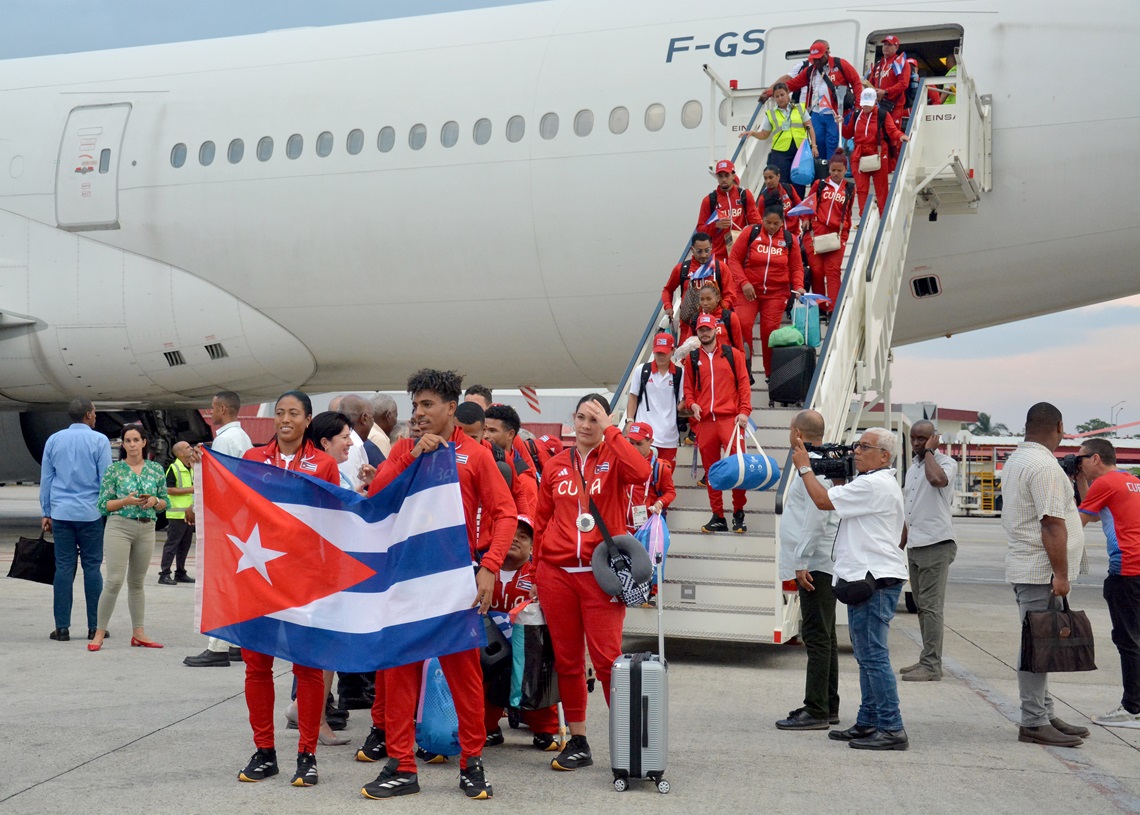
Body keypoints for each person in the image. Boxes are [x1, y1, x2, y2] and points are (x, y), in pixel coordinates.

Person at [361, 369, 514, 801]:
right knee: (399, 673)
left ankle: (471, 763)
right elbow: (376, 496)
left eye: (428, 405)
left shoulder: (477, 455)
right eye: (415, 407)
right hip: (404, 580)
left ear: (452, 408)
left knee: (463, 675)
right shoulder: (404, 449)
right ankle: (401, 767)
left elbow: (504, 513)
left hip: (453, 581)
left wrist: (490, 566)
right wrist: (412, 456)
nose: (419, 414)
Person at [533, 393, 651, 771]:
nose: (585, 426)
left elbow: (643, 473)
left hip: (602, 576)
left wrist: (613, 431)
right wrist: (537, 569)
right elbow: (540, 520)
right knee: (567, 662)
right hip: (557, 574)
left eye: (594, 420)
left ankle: (630, 742)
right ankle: (578, 741)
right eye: (581, 418)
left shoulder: (616, 458)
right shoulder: (554, 466)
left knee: (606, 660)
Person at [237, 390, 341, 787]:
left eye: (293, 413)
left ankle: (307, 754)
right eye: (279, 413)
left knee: (308, 667)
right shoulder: (250, 460)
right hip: (258, 577)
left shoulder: (325, 464)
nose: (284, 419)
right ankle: (265, 752)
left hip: (304, 581)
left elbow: (333, 523)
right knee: (256, 666)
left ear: (308, 419)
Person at [791, 427, 909, 750]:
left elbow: (821, 499)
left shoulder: (872, 484)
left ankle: (891, 726)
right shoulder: (878, 483)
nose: (856, 451)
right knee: (867, 655)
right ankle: (869, 720)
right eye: (857, 445)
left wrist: (804, 465)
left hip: (873, 580)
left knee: (873, 656)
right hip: (874, 578)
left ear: (884, 455)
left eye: (865, 447)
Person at [1001, 402, 1089, 747]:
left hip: (1029, 567)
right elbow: (1052, 524)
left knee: (1043, 642)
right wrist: (1061, 575)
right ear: (1059, 426)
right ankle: (1034, 721)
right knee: (1036, 645)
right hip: (1041, 572)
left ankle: (1044, 711)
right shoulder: (1044, 466)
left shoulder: (1018, 460)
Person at [776, 410, 841, 731]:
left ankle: (816, 709)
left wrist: (800, 562)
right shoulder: (819, 461)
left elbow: (816, 518)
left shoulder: (811, 468)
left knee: (816, 636)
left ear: (799, 433)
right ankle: (828, 705)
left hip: (815, 563)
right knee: (825, 636)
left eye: (791, 429)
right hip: (820, 560)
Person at [184, 390, 251, 668]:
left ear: (224, 409)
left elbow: (218, 484)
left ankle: (217, 646)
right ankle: (236, 643)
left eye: (213, 409)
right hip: (241, 519)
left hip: (224, 520)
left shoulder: (224, 440)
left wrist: (197, 509)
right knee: (234, 582)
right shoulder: (243, 437)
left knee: (219, 582)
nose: (211, 414)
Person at [1076, 439, 1140, 729]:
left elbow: (1079, 522)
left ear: (1096, 458)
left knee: (1128, 640)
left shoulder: (1105, 483)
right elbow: (1096, 506)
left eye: (1082, 459)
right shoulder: (1130, 480)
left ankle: (1132, 709)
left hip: (1126, 570)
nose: (1080, 464)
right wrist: (1080, 481)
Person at [88, 424, 168, 652]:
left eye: (136, 440)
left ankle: (139, 633)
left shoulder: (155, 470)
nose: (132, 444)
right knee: (113, 580)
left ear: (144, 442)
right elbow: (103, 505)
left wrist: (154, 501)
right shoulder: (114, 471)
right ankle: (99, 632)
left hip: (146, 528)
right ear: (122, 445)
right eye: (128, 441)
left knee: (137, 583)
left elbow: (165, 502)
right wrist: (125, 501)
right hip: (119, 527)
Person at [483, 516, 561, 750]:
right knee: (484, 682)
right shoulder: (485, 571)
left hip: (528, 647)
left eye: (523, 536)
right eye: (510, 534)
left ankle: (545, 729)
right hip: (491, 648)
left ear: (532, 546)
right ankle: (489, 728)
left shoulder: (538, 574)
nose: (515, 539)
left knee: (537, 677)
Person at [40, 398, 112, 643]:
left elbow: (47, 479)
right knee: (92, 568)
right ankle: (96, 627)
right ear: (89, 415)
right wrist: (108, 509)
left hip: (61, 513)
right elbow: (106, 479)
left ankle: (62, 628)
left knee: (63, 568)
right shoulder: (99, 440)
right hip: (90, 513)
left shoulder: (54, 440)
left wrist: (46, 512)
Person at [899, 421, 958, 682]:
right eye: (913, 438)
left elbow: (937, 481)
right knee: (922, 606)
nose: (916, 443)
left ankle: (932, 665)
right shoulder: (913, 469)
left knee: (932, 607)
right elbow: (908, 510)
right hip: (916, 544)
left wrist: (931, 452)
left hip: (936, 544)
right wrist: (898, 545)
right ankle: (927, 658)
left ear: (934, 439)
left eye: (922, 439)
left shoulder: (945, 463)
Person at [682, 313, 752, 534]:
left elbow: (744, 384)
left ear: (715, 330)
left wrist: (744, 412)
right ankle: (718, 515)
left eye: (707, 329)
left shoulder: (734, 355)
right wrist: (692, 404)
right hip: (705, 422)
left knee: (737, 468)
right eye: (701, 330)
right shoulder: (691, 358)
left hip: (730, 420)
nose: (704, 332)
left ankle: (739, 512)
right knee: (712, 472)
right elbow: (688, 389)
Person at [727, 205, 805, 381]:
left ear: (782, 222)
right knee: (741, 324)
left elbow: (796, 267)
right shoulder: (750, 233)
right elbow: (734, 260)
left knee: (769, 332)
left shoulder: (789, 239)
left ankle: (771, 373)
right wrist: (744, 283)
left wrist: (799, 286)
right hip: (748, 291)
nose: (771, 226)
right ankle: (744, 369)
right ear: (762, 219)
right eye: (768, 222)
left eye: (776, 223)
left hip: (776, 293)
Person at [764, 39, 862, 161]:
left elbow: (857, 83)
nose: (816, 61)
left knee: (833, 144)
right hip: (816, 113)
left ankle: (832, 175)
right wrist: (769, 92)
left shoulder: (840, 64)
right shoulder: (811, 70)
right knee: (817, 143)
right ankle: (822, 173)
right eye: (814, 59)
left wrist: (858, 107)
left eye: (819, 58)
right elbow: (793, 84)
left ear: (827, 53)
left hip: (836, 114)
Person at [739, 84, 817, 197]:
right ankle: (785, 207)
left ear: (788, 94)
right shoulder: (771, 114)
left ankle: (798, 207)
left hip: (799, 151)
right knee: (783, 183)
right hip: (780, 152)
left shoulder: (800, 108)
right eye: (777, 96)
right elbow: (765, 134)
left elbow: (810, 128)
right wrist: (753, 133)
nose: (780, 98)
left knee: (799, 181)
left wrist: (814, 145)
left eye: (782, 95)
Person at [844, 87, 908, 218]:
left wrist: (901, 136)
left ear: (874, 102)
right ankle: (863, 219)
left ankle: (883, 216)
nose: (865, 107)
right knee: (861, 189)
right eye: (864, 104)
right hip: (860, 154)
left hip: (879, 153)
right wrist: (839, 123)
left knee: (882, 189)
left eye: (868, 104)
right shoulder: (856, 115)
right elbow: (847, 133)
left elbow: (892, 130)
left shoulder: (882, 114)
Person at [805, 153, 854, 317]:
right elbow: (809, 204)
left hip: (837, 234)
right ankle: (820, 308)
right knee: (817, 271)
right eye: (833, 170)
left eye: (839, 170)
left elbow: (847, 212)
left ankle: (833, 309)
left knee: (833, 271)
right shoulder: (820, 184)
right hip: (816, 232)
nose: (836, 173)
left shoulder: (849, 188)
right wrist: (806, 220)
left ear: (845, 170)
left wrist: (845, 231)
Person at [626, 332, 683, 466]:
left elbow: (682, 401)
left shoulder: (680, 373)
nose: (661, 356)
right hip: (643, 436)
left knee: (665, 478)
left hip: (669, 437)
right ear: (653, 350)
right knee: (642, 477)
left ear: (672, 351)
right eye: (658, 352)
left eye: (664, 352)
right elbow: (633, 396)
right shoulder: (642, 370)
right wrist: (629, 421)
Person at [694, 160, 761, 261]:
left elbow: (756, 222)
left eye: (727, 175)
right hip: (719, 256)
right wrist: (715, 225)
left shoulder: (745, 195)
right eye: (720, 176)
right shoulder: (709, 200)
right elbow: (700, 229)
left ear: (733, 176)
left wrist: (747, 232)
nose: (724, 179)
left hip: (742, 252)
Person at [484, 403, 540, 516]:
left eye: (492, 431)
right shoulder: (476, 462)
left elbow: (527, 523)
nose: (485, 435)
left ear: (510, 434)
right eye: (484, 429)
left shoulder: (524, 478)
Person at [623, 422, 676, 533]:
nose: (634, 448)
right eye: (631, 443)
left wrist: (660, 502)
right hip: (622, 526)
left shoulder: (660, 467)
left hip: (647, 528)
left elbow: (670, 492)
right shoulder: (621, 463)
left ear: (651, 442)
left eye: (639, 444)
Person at [157, 441, 197, 586]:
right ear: (180, 453)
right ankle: (165, 573)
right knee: (172, 545)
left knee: (185, 545)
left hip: (190, 514)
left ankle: (180, 572)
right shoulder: (174, 468)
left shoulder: (191, 468)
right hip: (177, 514)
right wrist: (190, 489)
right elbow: (169, 489)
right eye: (187, 447)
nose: (191, 448)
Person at [866, 35, 912, 124]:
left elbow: (904, 83)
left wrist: (886, 92)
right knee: (878, 131)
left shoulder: (901, 63)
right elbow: (870, 83)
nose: (886, 47)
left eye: (889, 45)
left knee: (892, 131)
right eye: (884, 44)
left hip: (895, 105)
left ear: (896, 47)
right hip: (878, 105)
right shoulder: (878, 64)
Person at [755, 165, 804, 234]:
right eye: (765, 178)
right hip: (776, 235)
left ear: (778, 176)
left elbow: (800, 206)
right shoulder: (763, 198)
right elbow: (760, 219)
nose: (768, 181)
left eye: (771, 177)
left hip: (795, 232)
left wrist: (805, 219)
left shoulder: (788, 188)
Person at [368, 393, 398, 458]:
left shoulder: (363, 433)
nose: (396, 421)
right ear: (388, 416)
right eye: (396, 415)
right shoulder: (379, 439)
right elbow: (385, 468)